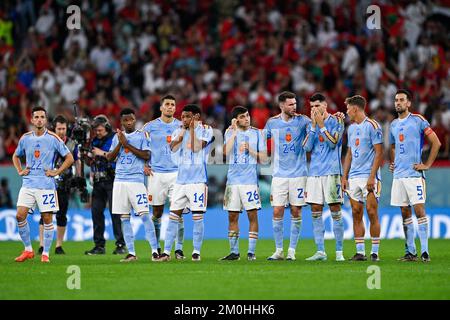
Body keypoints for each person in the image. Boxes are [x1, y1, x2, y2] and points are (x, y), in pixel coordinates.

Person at [12, 106, 74, 263]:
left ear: (46, 120)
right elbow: (15, 155)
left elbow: (69, 158)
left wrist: (57, 172)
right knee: (20, 215)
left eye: (42, 117)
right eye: (36, 117)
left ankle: (45, 253)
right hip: (28, 184)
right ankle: (28, 250)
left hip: (46, 185)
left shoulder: (53, 138)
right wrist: (20, 170)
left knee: (47, 218)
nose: (39, 119)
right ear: (32, 120)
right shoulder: (25, 138)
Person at [389, 89, 441, 262]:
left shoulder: (418, 120)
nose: (398, 103)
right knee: (405, 213)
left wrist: (427, 165)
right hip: (398, 176)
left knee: (419, 211)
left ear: (409, 103)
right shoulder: (393, 125)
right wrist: (393, 161)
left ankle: (425, 251)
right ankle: (410, 252)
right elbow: (394, 146)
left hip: (414, 175)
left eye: (402, 100)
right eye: (396, 100)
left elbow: (436, 142)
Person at [158, 104, 214, 262]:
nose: (183, 119)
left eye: (187, 116)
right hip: (180, 181)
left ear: (196, 117)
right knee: (173, 215)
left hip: (198, 181)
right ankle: (167, 252)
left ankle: (196, 251)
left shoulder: (206, 130)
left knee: (197, 217)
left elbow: (197, 148)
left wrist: (192, 130)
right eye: (182, 117)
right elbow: (172, 148)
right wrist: (183, 131)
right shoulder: (178, 130)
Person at [106, 108, 160, 262]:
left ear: (135, 120)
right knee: (124, 218)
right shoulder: (118, 137)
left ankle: (155, 251)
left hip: (136, 181)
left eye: (131, 119)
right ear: (121, 122)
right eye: (125, 120)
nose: (129, 122)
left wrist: (127, 145)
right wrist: (120, 143)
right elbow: (109, 158)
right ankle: (131, 253)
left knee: (145, 216)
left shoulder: (142, 135)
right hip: (120, 181)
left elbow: (146, 155)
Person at [264, 91, 311, 261]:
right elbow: (261, 139)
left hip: (299, 174)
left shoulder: (303, 121)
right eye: (290, 104)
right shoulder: (272, 123)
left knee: (296, 210)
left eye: (295, 103)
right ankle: (279, 250)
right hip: (279, 175)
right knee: (277, 210)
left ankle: (291, 250)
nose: (294, 107)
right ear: (282, 105)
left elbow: (316, 130)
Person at [220, 106, 267, 261]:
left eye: (247, 115)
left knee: (252, 215)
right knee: (232, 216)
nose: (247, 118)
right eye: (243, 116)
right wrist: (234, 131)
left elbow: (265, 158)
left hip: (250, 182)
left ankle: (251, 252)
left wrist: (251, 150)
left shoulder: (258, 133)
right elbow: (225, 153)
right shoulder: (229, 132)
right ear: (236, 119)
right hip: (232, 182)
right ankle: (234, 252)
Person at [303, 93, 346, 262]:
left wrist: (321, 126)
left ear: (325, 105)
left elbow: (333, 143)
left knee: (335, 210)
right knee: (315, 211)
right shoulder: (310, 125)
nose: (314, 109)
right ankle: (320, 251)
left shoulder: (337, 121)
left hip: (332, 172)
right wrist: (314, 127)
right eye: (311, 106)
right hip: (314, 172)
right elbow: (306, 148)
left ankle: (339, 252)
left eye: (317, 106)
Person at [142, 94, 185, 259]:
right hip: (156, 174)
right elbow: (140, 146)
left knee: (177, 212)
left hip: (176, 174)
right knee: (157, 212)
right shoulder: (150, 127)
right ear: (161, 107)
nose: (170, 107)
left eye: (173, 105)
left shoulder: (181, 126)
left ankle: (179, 249)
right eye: (167, 104)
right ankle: (157, 246)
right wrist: (143, 165)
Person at [342, 95, 383, 261]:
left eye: (348, 109)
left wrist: (372, 177)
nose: (347, 112)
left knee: (372, 212)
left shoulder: (373, 126)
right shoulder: (351, 129)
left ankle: (375, 252)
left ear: (355, 109)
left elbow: (379, 153)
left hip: (368, 176)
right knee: (355, 212)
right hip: (353, 177)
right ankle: (360, 252)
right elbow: (349, 154)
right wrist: (344, 177)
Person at [38, 115, 82, 255]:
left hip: (65, 183)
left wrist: (79, 177)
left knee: (61, 215)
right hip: (48, 182)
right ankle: (42, 244)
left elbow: (77, 161)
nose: (62, 131)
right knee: (45, 213)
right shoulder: (46, 142)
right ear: (54, 128)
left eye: (63, 128)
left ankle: (58, 245)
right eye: (59, 128)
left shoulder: (72, 144)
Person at [82, 115, 126, 255]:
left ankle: (121, 244)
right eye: (96, 130)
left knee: (115, 212)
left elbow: (118, 157)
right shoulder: (94, 140)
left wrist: (101, 153)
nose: (98, 133)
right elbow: (90, 162)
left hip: (112, 179)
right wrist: (86, 156)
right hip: (98, 181)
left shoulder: (115, 138)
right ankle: (99, 245)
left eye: (100, 130)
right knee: (96, 213)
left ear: (106, 127)